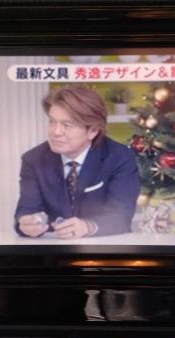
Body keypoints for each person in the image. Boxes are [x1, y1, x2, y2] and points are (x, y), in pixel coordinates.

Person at [15, 86, 140, 239]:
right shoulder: (33, 159)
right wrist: (26, 224)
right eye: (52, 122)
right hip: (54, 246)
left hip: (106, 245)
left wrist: (88, 227)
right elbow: (27, 209)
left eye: (67, 125)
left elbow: (121, 215)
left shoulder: (120, 157)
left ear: (93, 131)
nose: (55, 132)